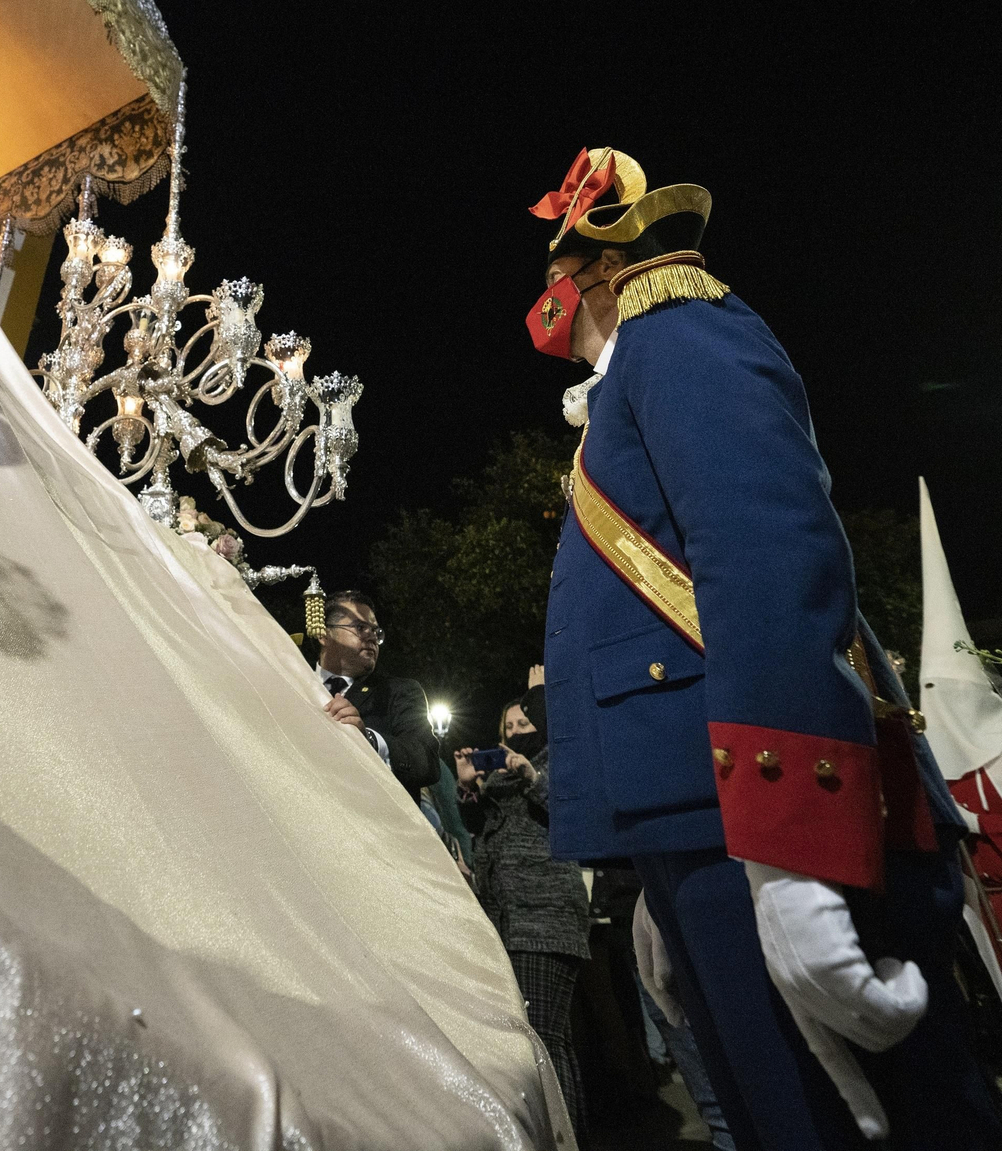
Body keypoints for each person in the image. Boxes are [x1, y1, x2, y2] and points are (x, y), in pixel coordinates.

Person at [524, 148, 1002, 1149]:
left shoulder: (678, 337)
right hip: (701, 826)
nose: (547, 301)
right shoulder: (626, 390)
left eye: (557, 272)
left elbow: (767, 563)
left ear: (595, 273)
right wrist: (655, 875)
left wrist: (790, 852)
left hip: (756, 812)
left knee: (857, 1123)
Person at [456, 674, 592, 1139]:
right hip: (506, 920)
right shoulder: (496, 776)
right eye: (507, 727)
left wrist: (529, 774)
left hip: (544, 916)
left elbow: (568, 809)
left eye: (523, 723)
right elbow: (481, 829)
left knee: (545, 1042)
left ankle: (564, 1136)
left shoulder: (556, 758)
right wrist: (470, 787)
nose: (515, 732)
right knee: (542, 1039)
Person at [313, 591, 439, 796]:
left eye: (376, 631)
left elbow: (427, 763)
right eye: (360, 627)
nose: (371, 636)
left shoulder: (398, 692)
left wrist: (368, 741)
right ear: (324, 634)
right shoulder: (292, 684)